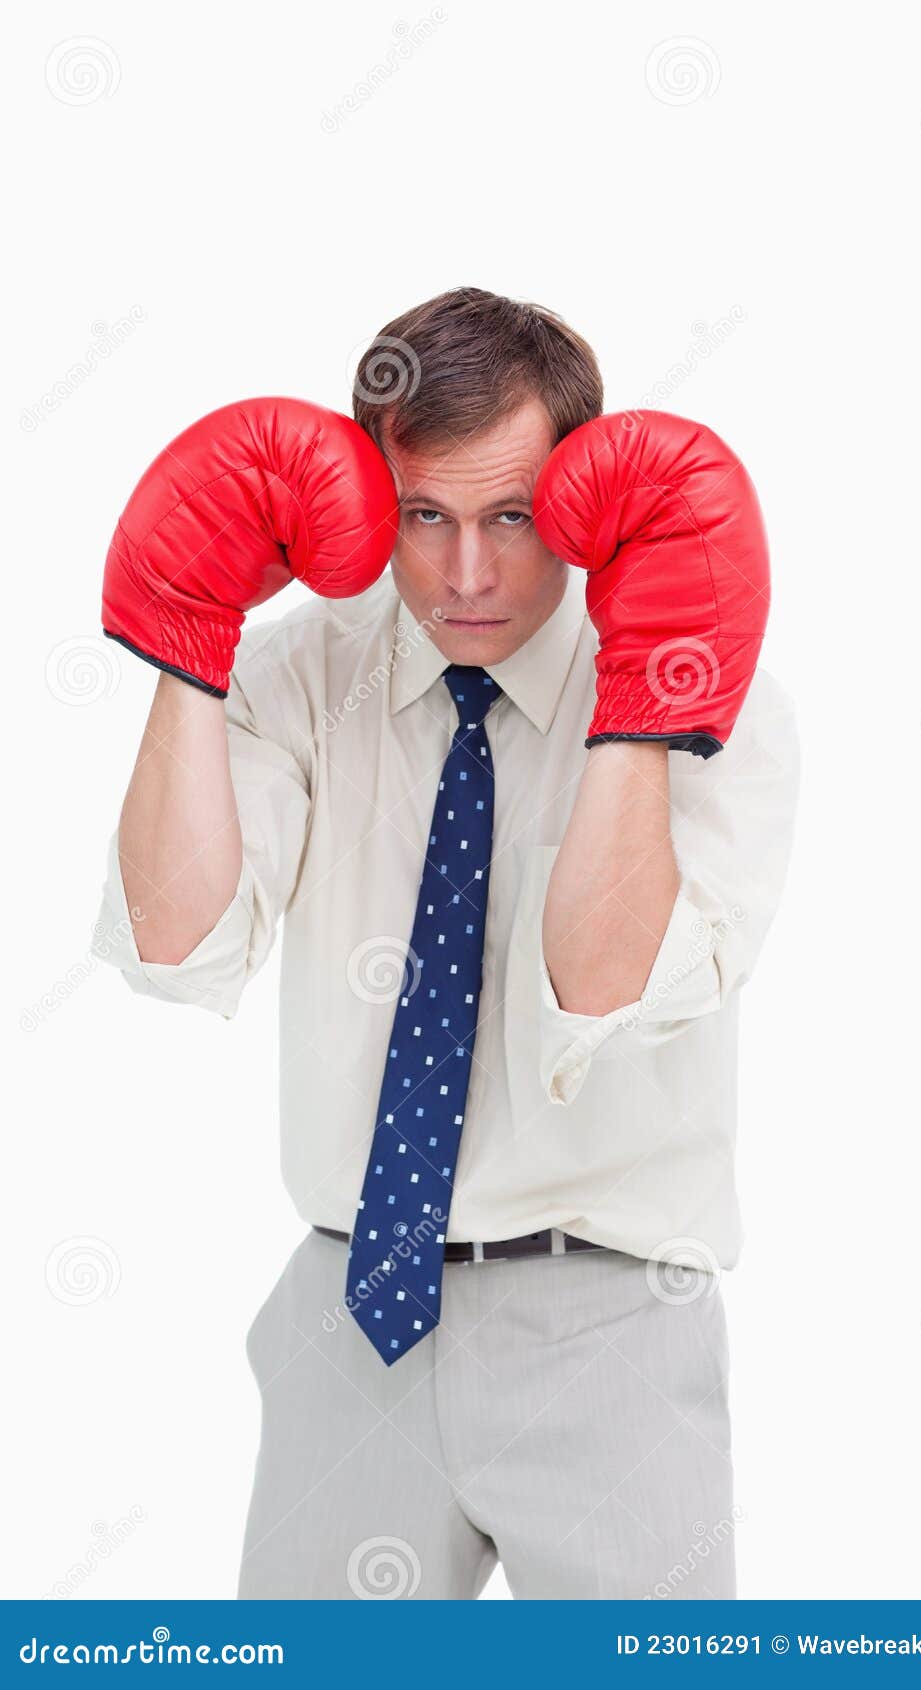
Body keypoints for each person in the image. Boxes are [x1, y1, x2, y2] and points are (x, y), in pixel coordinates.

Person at [94, 287, 799, 1600]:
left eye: (513, 519)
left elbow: (601, 982)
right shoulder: (309, 669)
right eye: (425, 517)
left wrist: (640, 703)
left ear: (584, 502)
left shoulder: (709, 687)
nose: (467, 574)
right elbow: (174, 938)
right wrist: (186, 645)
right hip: (346, 1312)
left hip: (609, 1326)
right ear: (367, 499)